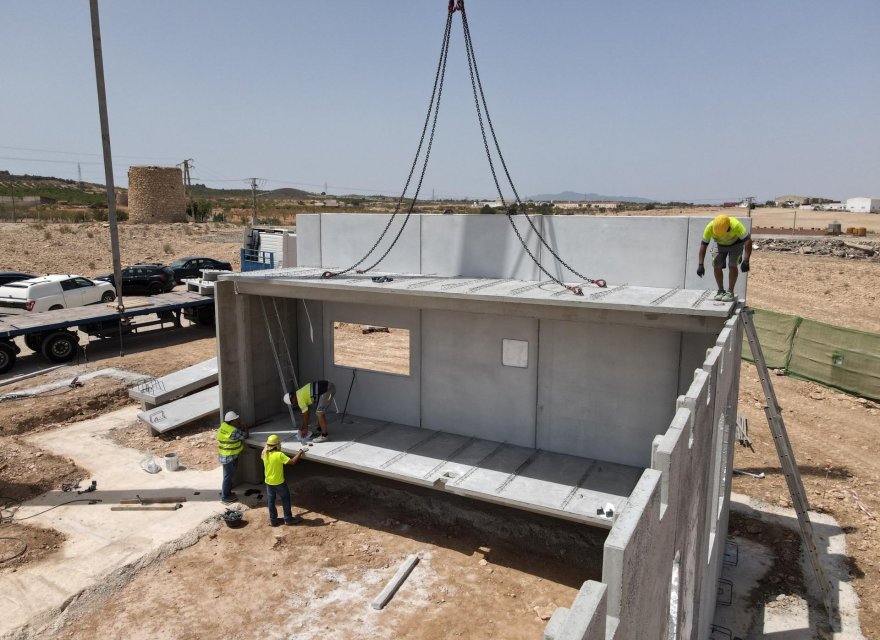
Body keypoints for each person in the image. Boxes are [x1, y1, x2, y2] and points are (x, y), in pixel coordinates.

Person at [697, 214, 753, 302]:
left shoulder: (736, 225)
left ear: (728, 227)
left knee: (732, 265)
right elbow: (703, 245)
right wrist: (700, 264)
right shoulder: (710, 227)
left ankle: (730, 292)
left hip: (736, 244)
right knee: (716, 266)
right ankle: (721, 290)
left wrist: (746, 260)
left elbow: (748, 241)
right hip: (719, 244)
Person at [261, 434, 307, 526]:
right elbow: (293, 461)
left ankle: (273, 520)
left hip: (269, 482)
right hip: (279, 482)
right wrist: (300, 452)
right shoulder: (279, 455)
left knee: (271, 501)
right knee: (285, 498)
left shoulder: (264, 453)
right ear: (277, 445)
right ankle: (288, 519)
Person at [217, 410, 249, 504]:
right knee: (228, 477)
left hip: (224, 455)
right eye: (236, 420)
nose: (238, 421)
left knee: (227, 476)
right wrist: (244, 426)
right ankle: (224, 496)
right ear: (231, 421)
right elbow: (245, 436)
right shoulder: (233, 431)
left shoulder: (223, 426)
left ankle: (225, 492)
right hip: (229, 457)